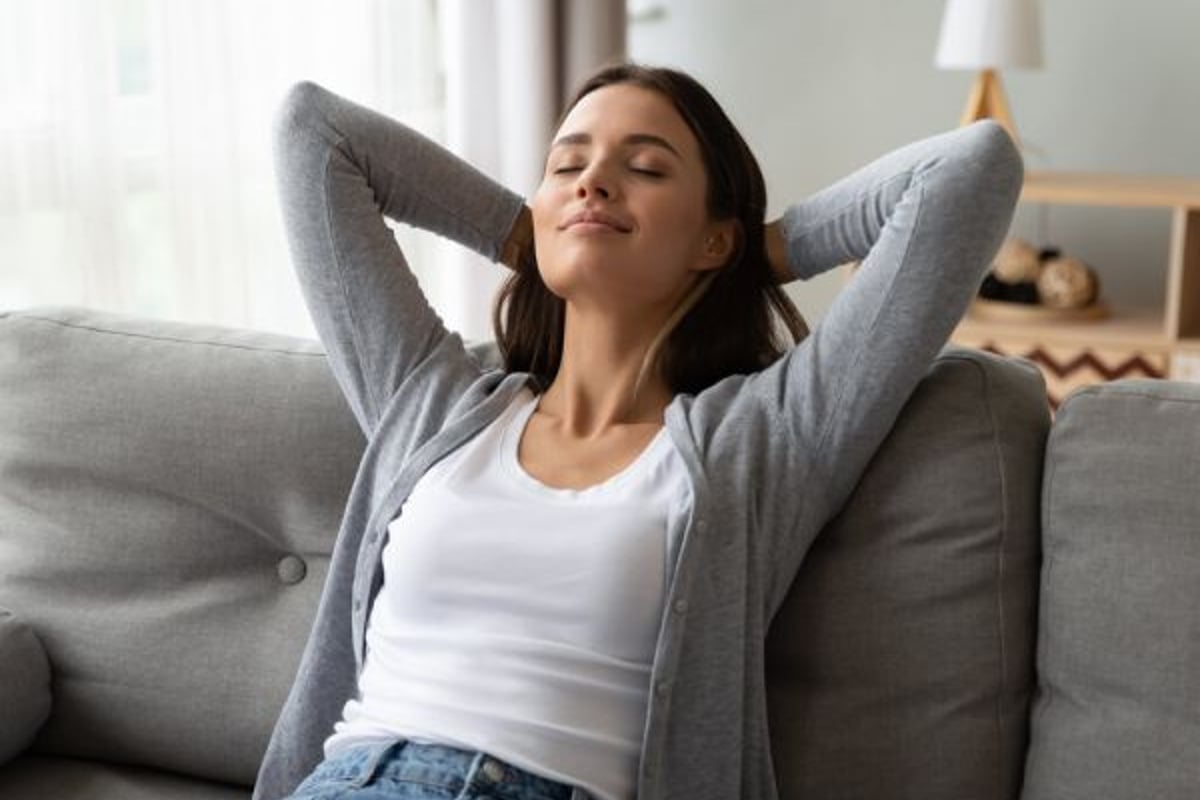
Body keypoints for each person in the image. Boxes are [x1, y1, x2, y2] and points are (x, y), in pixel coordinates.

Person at [256, 62, 1023, 800]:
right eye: (567, 165)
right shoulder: (431, 402)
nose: (593, 179)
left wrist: (757, 254)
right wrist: (533, 235)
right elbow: (313, 133)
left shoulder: (764, 440)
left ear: (712, 238)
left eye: (647, 169)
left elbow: (971, 169)